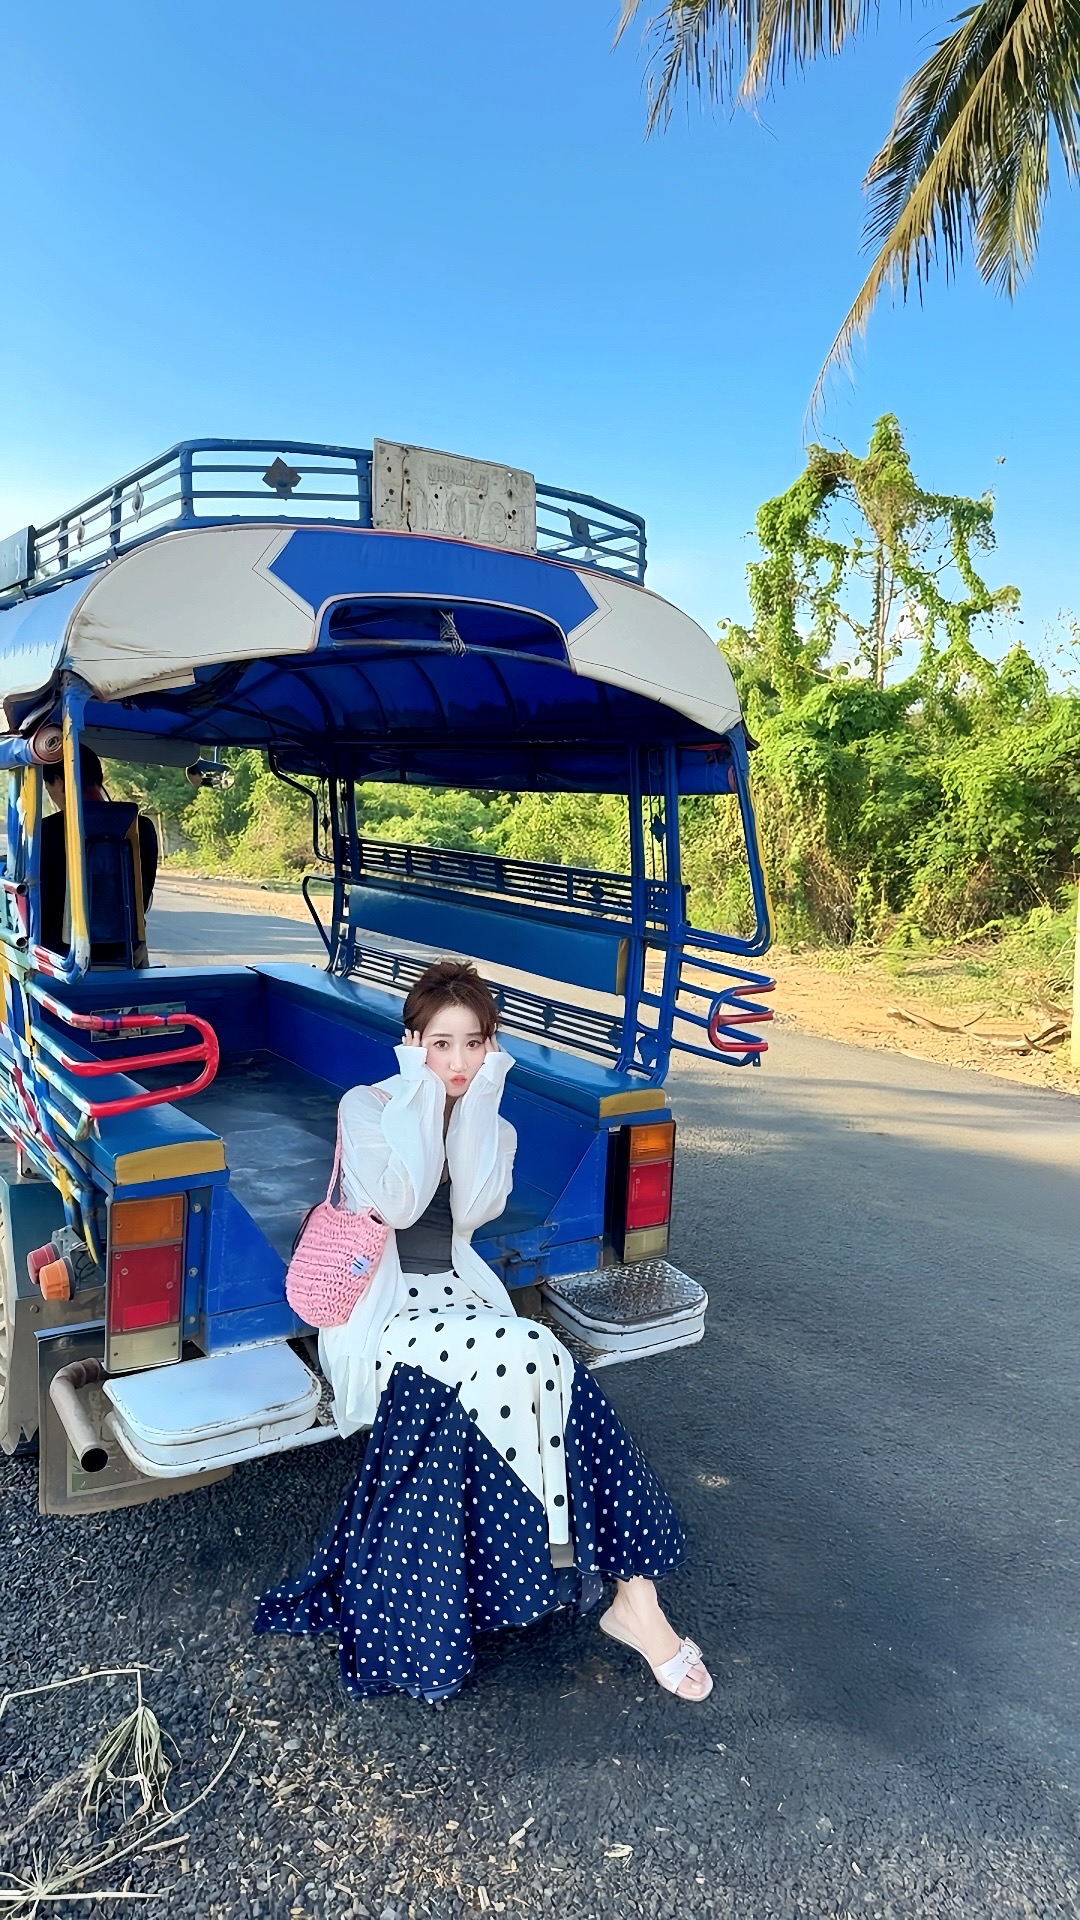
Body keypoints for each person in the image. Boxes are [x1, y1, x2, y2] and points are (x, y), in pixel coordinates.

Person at [255, 959, 712, 1704]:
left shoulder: (490, 1120)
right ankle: (598, 1579)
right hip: (386, 1311)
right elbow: (401, 1204)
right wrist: (420, 1094)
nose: (459, 1061)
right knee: (532, 1350)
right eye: (441, 1043)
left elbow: (475, 1208)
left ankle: (637, 1601)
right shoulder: (366, 1107)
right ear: (413, 1043)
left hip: (458, 1298)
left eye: (474, 1043)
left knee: (545, 1361)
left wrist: (475, 1106)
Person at [39, 745, 159, 961]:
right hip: (127, 951)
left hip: (58, 956)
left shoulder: (44, 832)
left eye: (49, 787)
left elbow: (40, 906)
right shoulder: (142, 828)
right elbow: (144, 893)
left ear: (59, 781)